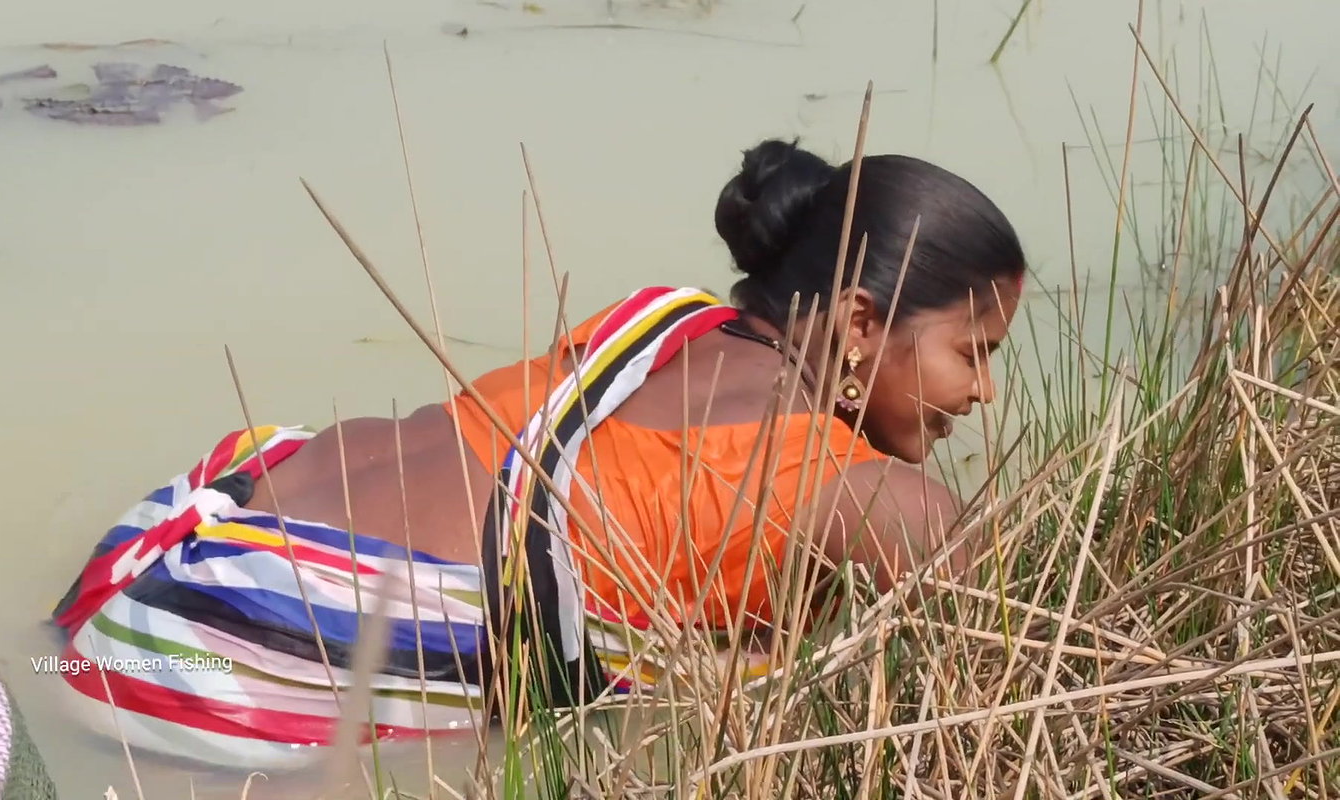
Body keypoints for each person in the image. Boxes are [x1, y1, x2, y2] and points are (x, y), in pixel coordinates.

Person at [49, 139, 1025, 767]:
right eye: (971, 352)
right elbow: (1011, 680)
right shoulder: (880, 500)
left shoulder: (672, 320)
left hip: (184, 527)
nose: (983, 391)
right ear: (859, 323)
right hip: (229, 649)